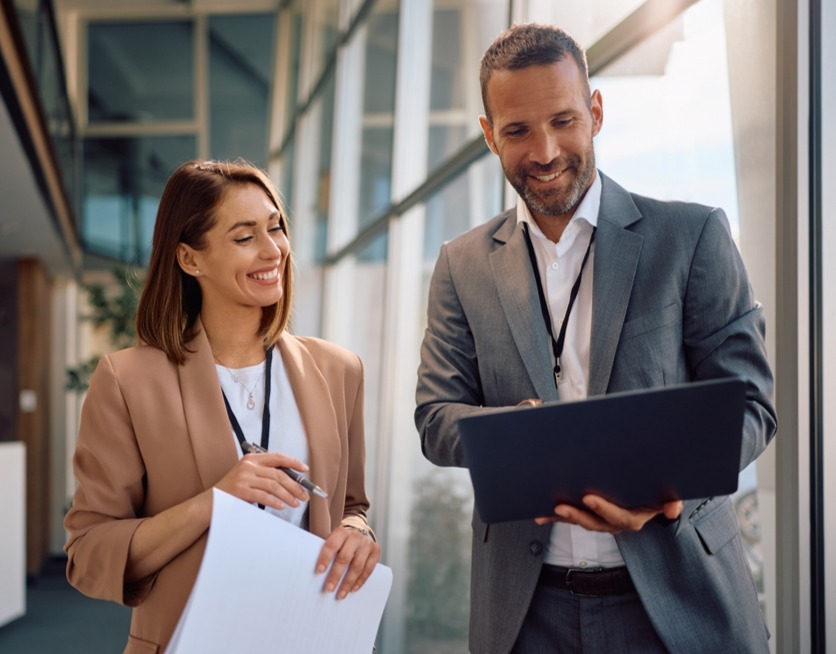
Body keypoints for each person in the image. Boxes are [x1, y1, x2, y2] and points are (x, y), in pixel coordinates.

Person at [415, 23, 776, 654]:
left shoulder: (691, 238)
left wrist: (665, 492)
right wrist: (517, 434)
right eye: (518, 130)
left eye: (563, 120)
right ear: (487, 135)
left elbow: (750, 405)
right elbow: (434, 417)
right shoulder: (461, 265)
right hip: (527, 614)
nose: (546, 151)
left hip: (678, 599)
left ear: (596, 112)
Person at [65, 159, 380, 653]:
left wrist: (358, 532)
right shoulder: (128, 381)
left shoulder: (339, 370)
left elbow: (352, 505)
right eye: (244, 236)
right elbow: (88, 553)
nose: (272, 249)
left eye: (276, 228)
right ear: (191, 259)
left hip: (310, 637)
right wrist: (213, 503)